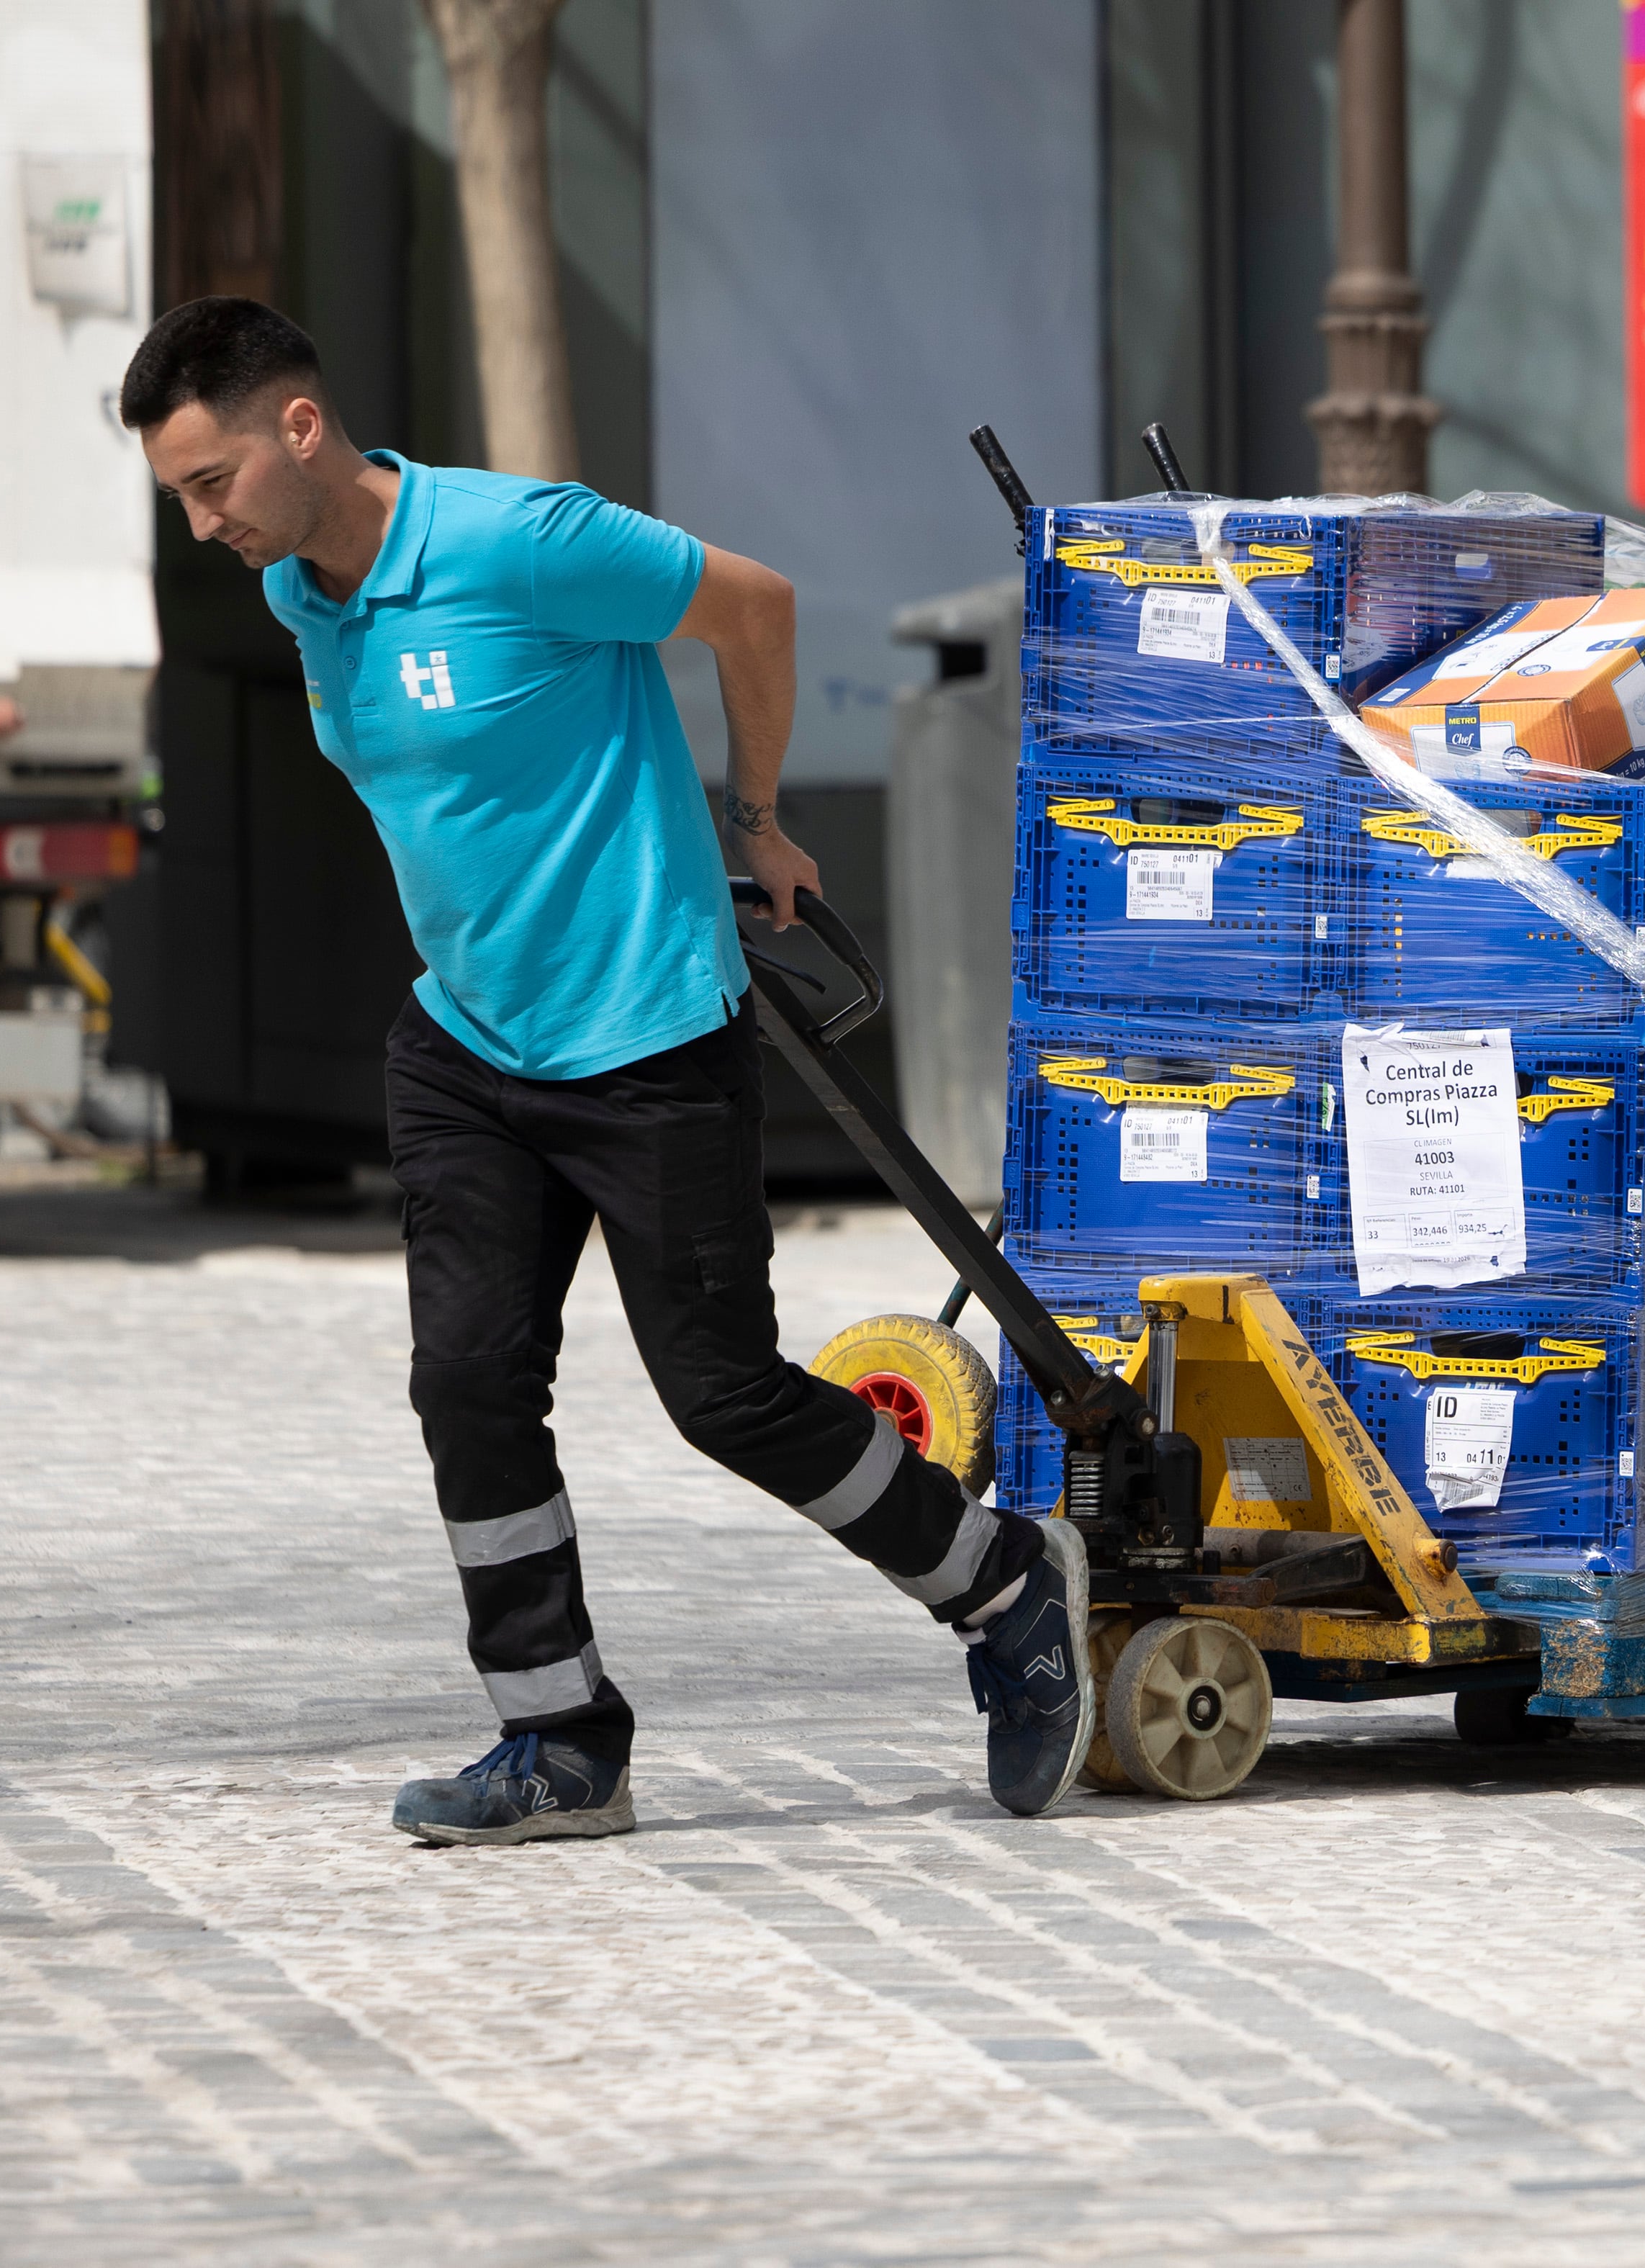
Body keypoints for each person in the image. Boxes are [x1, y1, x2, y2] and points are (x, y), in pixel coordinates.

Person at [121, 298, 1096, 1845]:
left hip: (648, 1038)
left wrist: (757, 817)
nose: (202, 522)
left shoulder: (520, 542)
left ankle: (1001, 1584)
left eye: (210, 482)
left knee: (725, 1399)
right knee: (468, 1386)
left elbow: (754, 607)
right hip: (465, 1047)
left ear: (297, 429)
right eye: (183, 496)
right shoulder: (310, 598)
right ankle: (559, 1734)